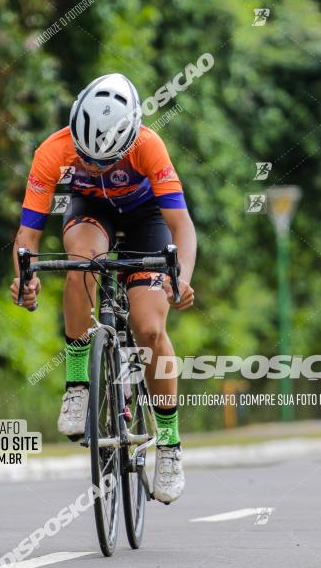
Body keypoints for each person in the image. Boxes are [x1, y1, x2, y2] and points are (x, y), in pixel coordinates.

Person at [11, 73, 196, 503]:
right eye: (86, 158)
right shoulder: (53, 150)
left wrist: (181, 275)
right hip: (91, 212)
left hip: (145, 217)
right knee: (82, 264)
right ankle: (78, 384)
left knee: (150, 329)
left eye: (105, 161)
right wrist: (24, 277)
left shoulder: (149, 146)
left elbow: (181, 225)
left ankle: (169, 445)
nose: (94, 167)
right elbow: (28, 236)